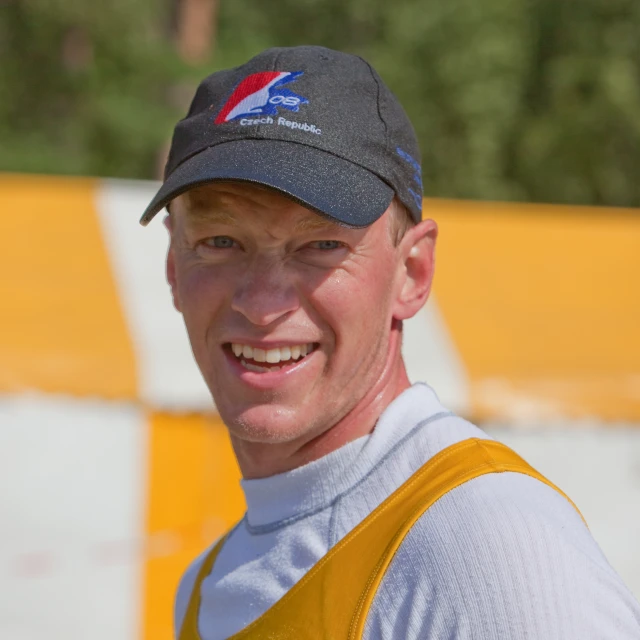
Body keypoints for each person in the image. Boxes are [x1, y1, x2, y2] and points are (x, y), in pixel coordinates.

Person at [140, 46, 640, 639]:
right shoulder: (207, 586)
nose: (262, 300)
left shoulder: (488, 546)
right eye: (222, 241)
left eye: (320, 245)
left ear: (413, 273)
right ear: (173, 264)